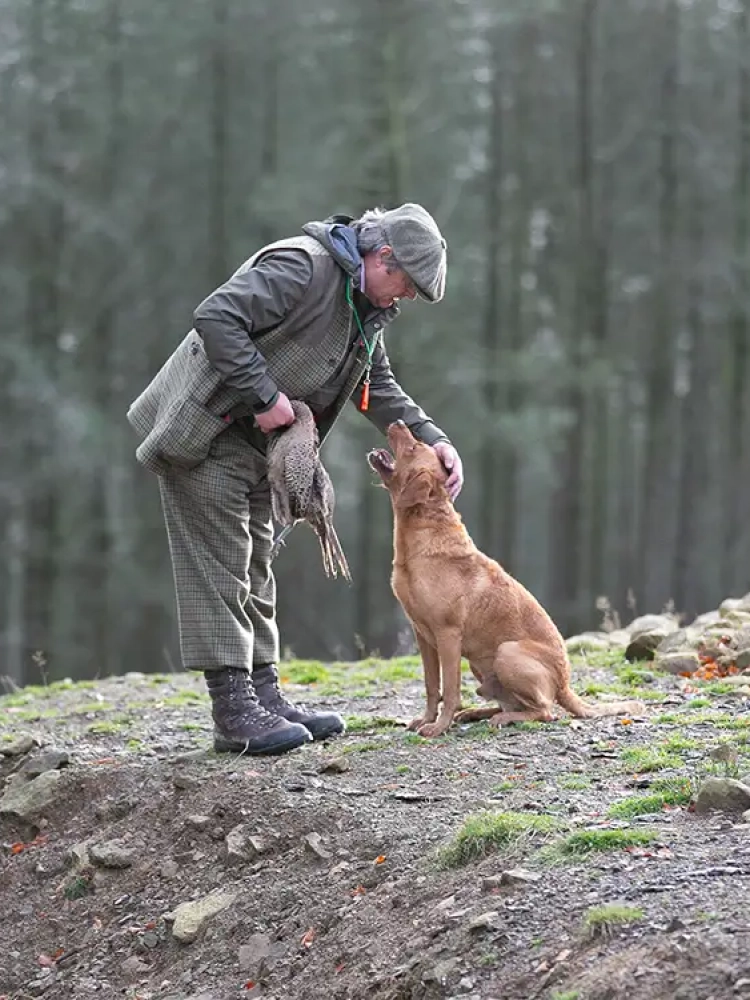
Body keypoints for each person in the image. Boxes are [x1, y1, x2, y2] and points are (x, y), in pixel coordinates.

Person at [127, 203, 464, 756]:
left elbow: (375, 385)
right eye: (406, 284)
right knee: (220, 562)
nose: (403, 298)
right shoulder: (301, 267)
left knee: (256, 560)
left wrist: (434, 437)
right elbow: (217, 317)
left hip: (264, 447)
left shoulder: (365, 309)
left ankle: (264, 694)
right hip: (206, 429)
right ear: (382, 256)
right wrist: (264, 396)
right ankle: (233, 710)